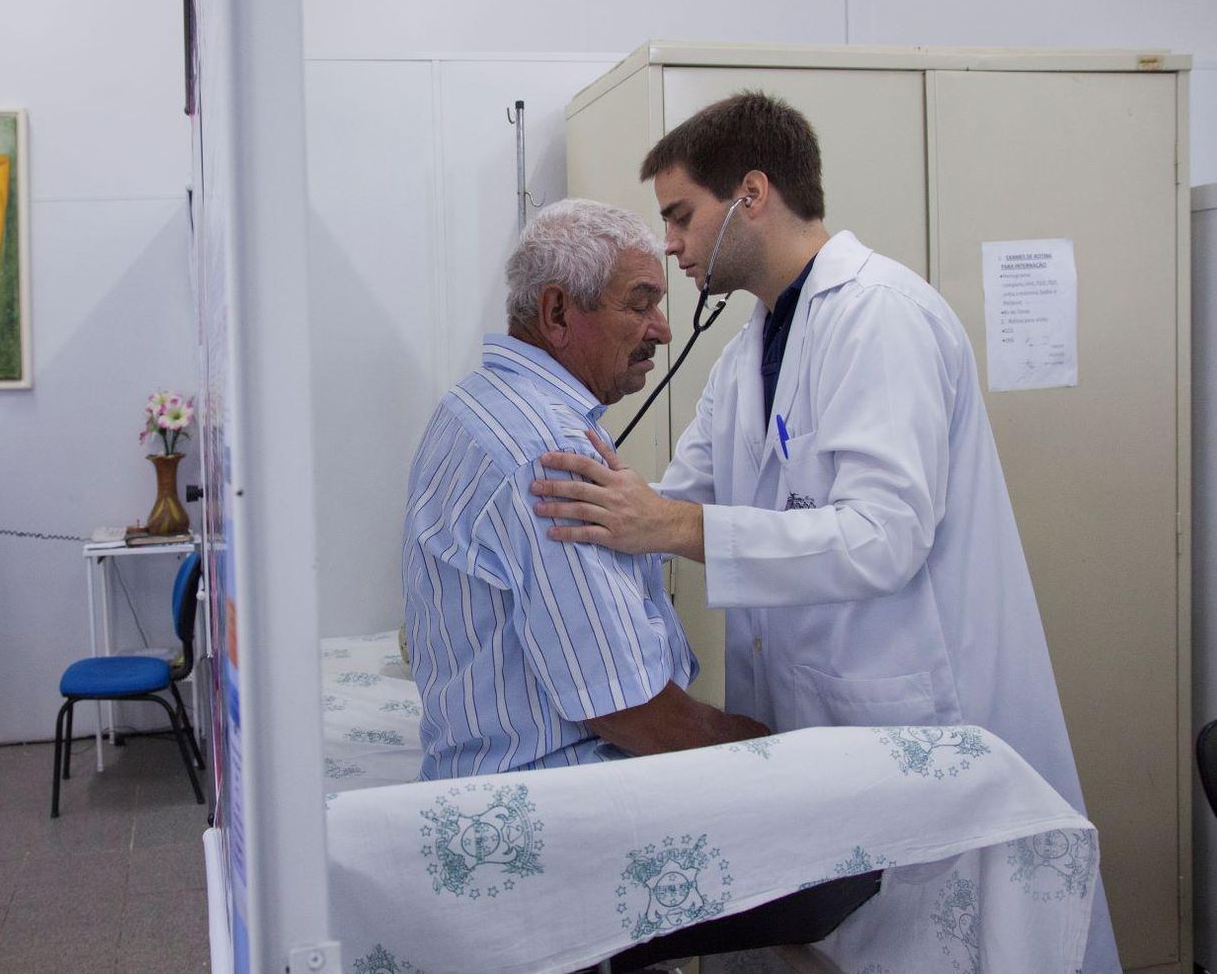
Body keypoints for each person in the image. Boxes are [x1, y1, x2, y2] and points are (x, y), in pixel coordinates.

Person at [529, 91, 1119, 971]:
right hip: (822, 726)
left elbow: (885, 535)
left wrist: (670, 523)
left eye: (683, 217)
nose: (674, 248)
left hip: (911, 717)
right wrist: (579, 519)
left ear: (753, 194)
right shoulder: (750, 347)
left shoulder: (882, 316)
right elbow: (676, 496)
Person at [402, 199, 766, 781]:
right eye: (641, 303)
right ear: (557, 313)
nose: (664, 331)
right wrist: (769, 745)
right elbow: (630, 708)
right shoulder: (548, 453)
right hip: (566, 797)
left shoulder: (475, 403)